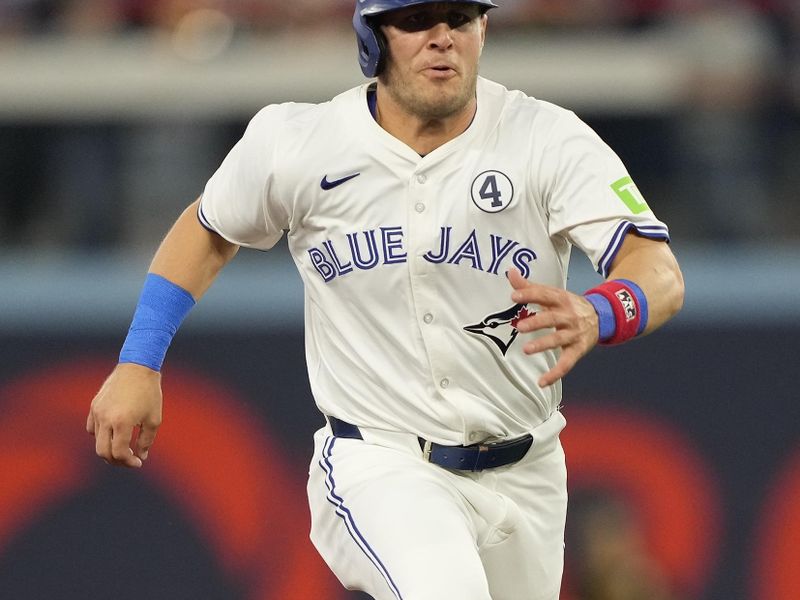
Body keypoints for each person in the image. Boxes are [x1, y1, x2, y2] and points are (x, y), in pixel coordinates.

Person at [86, 1, 685, 598]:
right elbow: (209, 229)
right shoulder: (301, 141)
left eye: (460, 17)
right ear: (372, 39)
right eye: (417, 20)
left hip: (528, 469)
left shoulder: (546, 138)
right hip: (381, 460)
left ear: (484, 29)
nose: (442, 38)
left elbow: (658, 272)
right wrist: (140, 359)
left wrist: (602, 310)